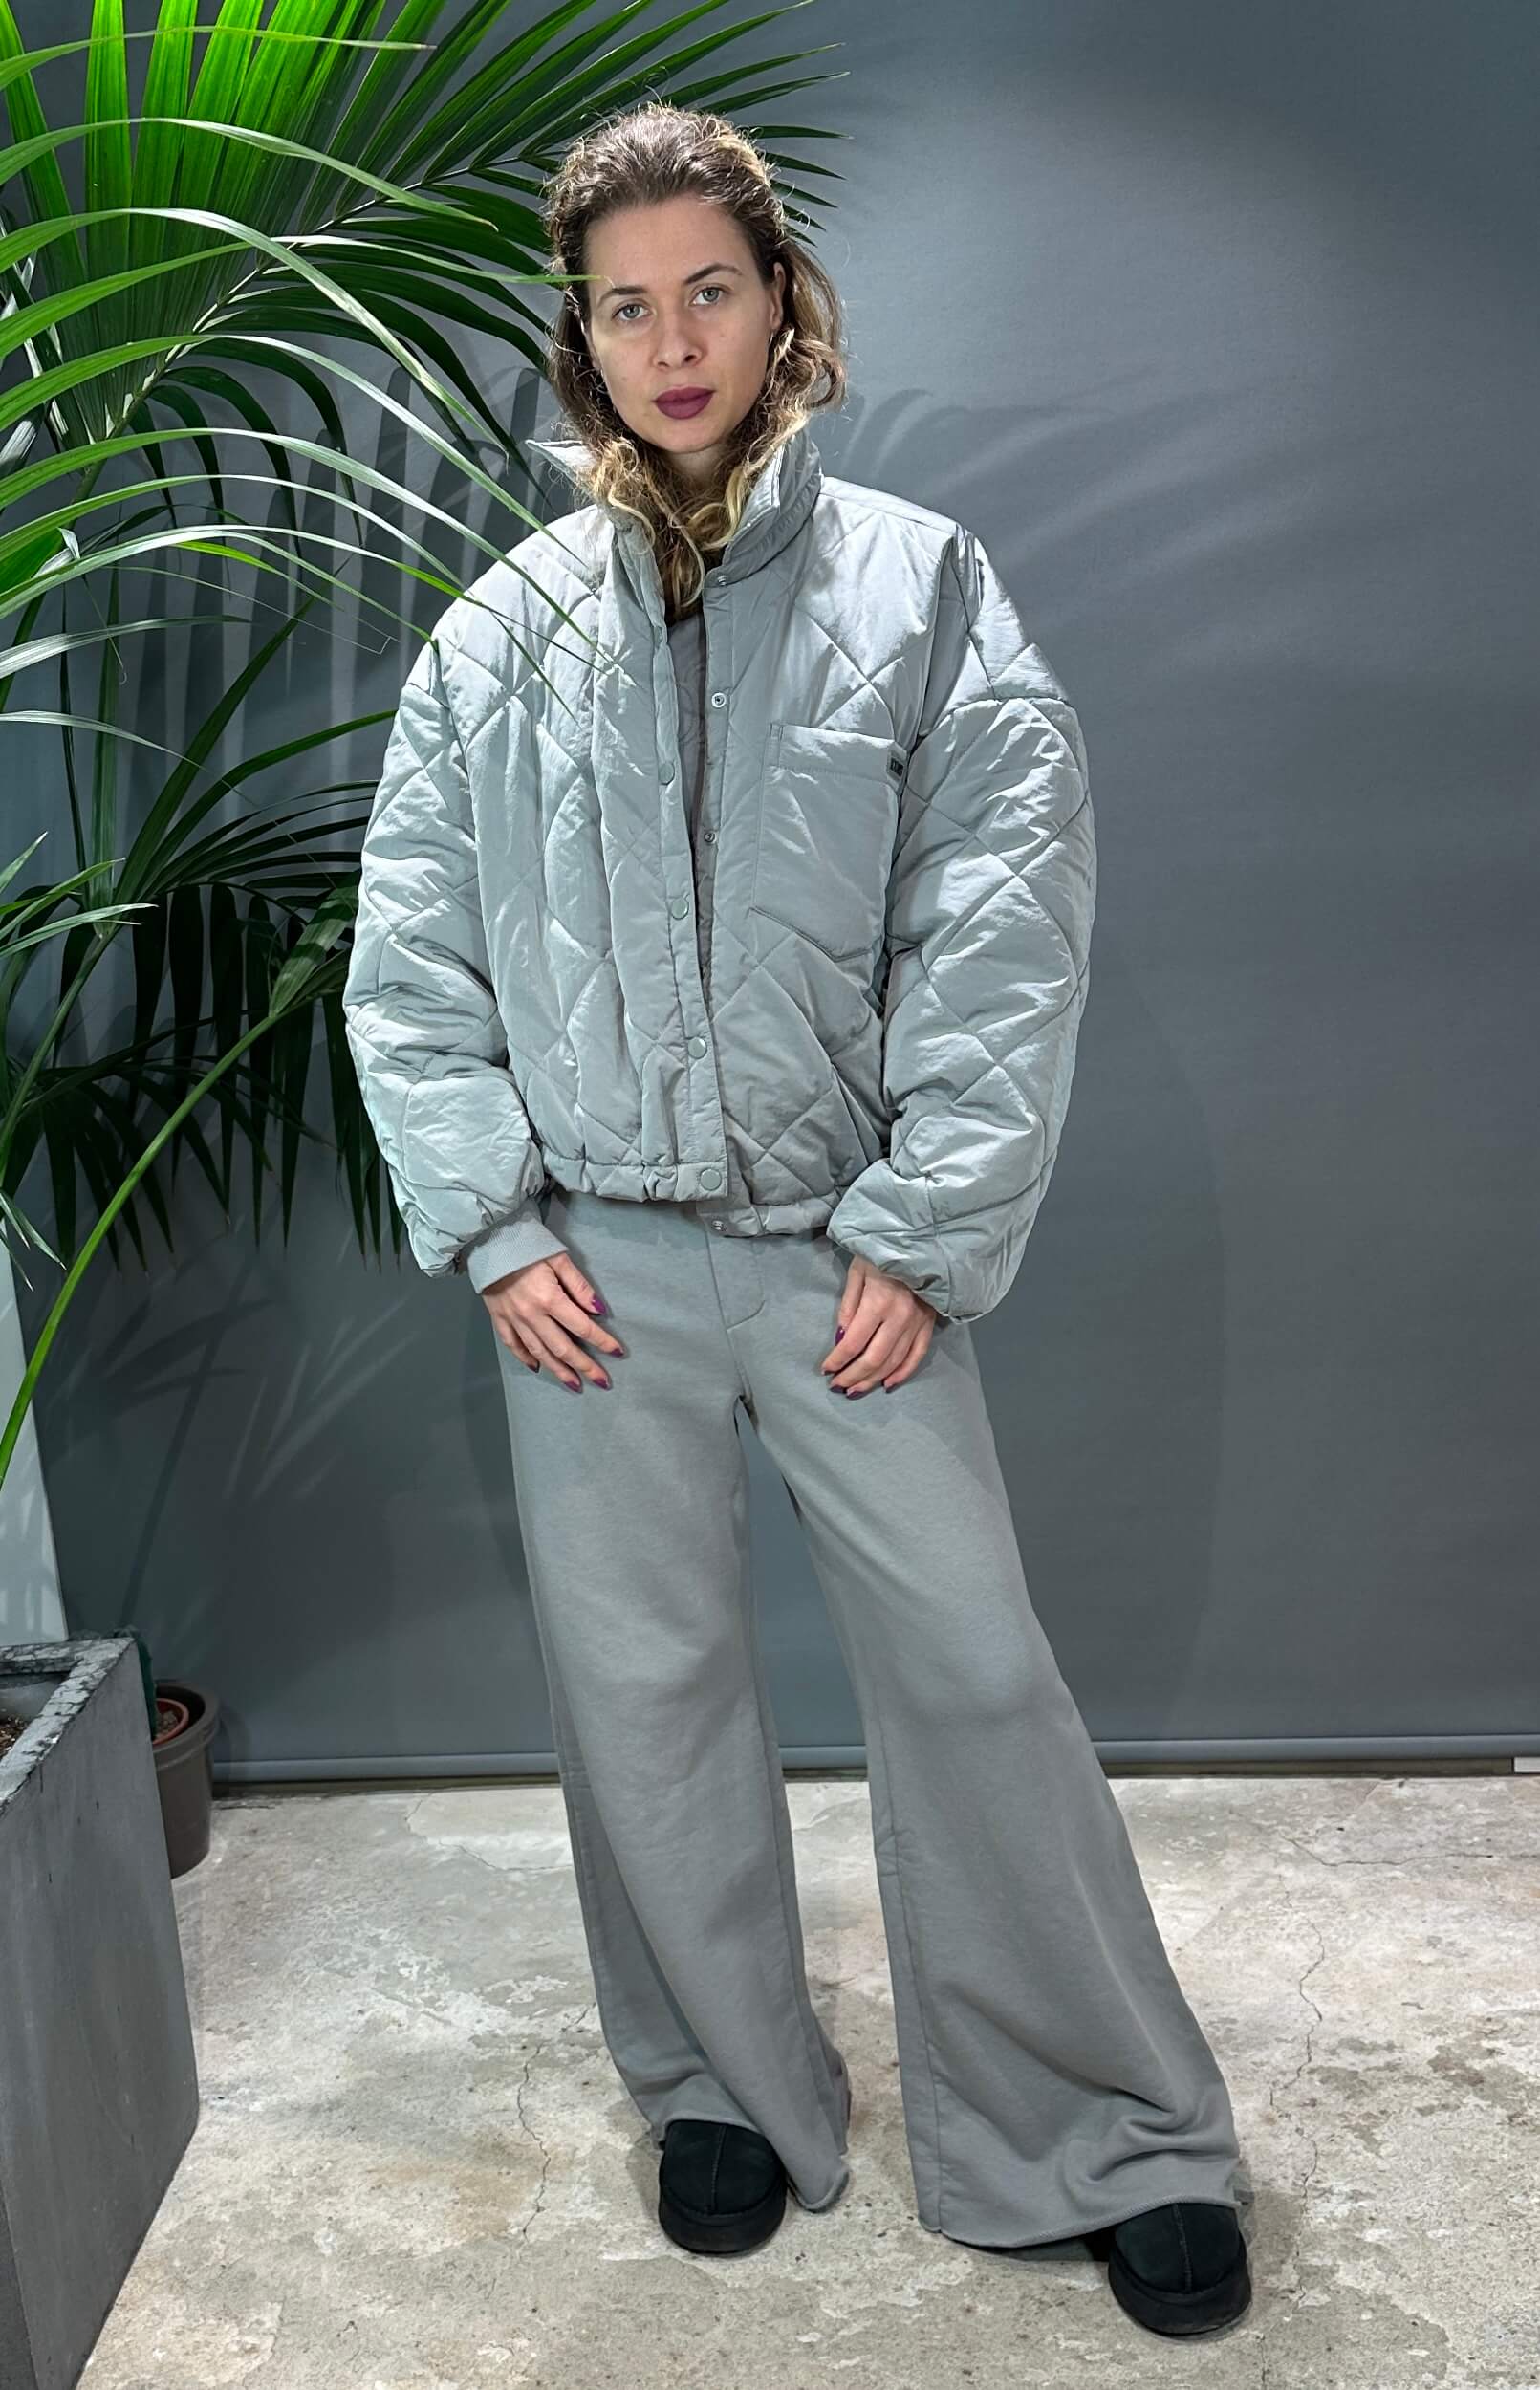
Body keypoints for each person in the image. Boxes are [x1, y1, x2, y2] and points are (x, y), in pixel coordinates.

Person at [341, 101, 1252, 2340]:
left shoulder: (919, 592)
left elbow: (1000, 930)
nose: (669, 340)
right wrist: (492, 1225)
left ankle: (1104, 2127)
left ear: (780, 303)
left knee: (970, 1669)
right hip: (594, 1268)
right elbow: (410, 960)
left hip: (845, 1254)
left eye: (708, 290)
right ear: (580, 336)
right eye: (622, 305)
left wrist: (921, 1228)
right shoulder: (497, 637)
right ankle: (717, 2087)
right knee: (642, 1692)